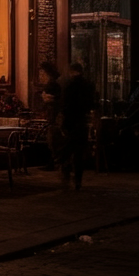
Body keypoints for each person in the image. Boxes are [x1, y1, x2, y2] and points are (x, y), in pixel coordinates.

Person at [59, 62, 98, 190]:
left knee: (68, 147)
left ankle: (65, 169)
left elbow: (65, 105)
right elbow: (92, 104)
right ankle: (78, 180)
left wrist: (63, 121)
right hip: (82, 121)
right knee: (79, 152)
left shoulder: (69, 85)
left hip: (71, 120)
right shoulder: (88, 85)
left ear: (72, 71)